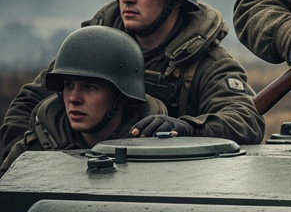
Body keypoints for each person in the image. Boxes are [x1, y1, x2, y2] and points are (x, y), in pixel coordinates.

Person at [0, 0, 264, 159]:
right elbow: (30, 101)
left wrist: (187, 130)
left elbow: (246, 119)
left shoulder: (207, 64)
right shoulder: (97, 44)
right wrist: (22, 166)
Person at [0, 26, 167, 177]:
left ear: (121, 95)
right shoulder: (34, 148)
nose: (74, 98)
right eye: (69, 85)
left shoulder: (155, 152)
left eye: (90, 87)